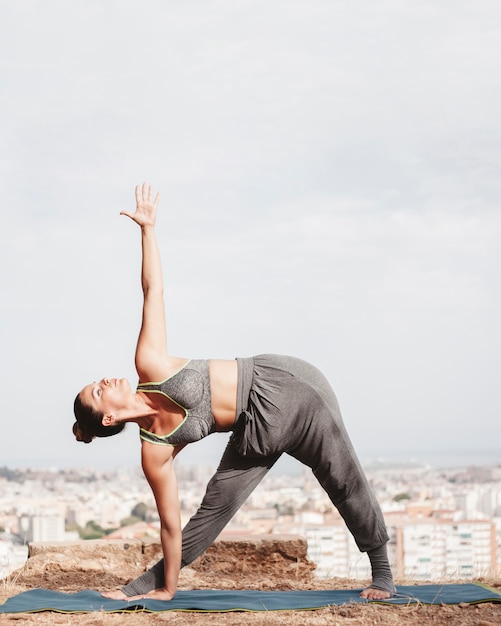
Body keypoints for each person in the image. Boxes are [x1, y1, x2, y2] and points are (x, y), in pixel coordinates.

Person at [73, 183, 395, 602]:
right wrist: (171, 591)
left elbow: (153, 291)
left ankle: (383, 573)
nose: (104, 380)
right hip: (252, 432)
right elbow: (169, 524)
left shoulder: (149, 365)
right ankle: (153, 584)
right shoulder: (154, 450)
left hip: (287, 388)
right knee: (213, 511)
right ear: (108, 419)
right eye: (97, 392)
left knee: (340, 477)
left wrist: (147, 230)